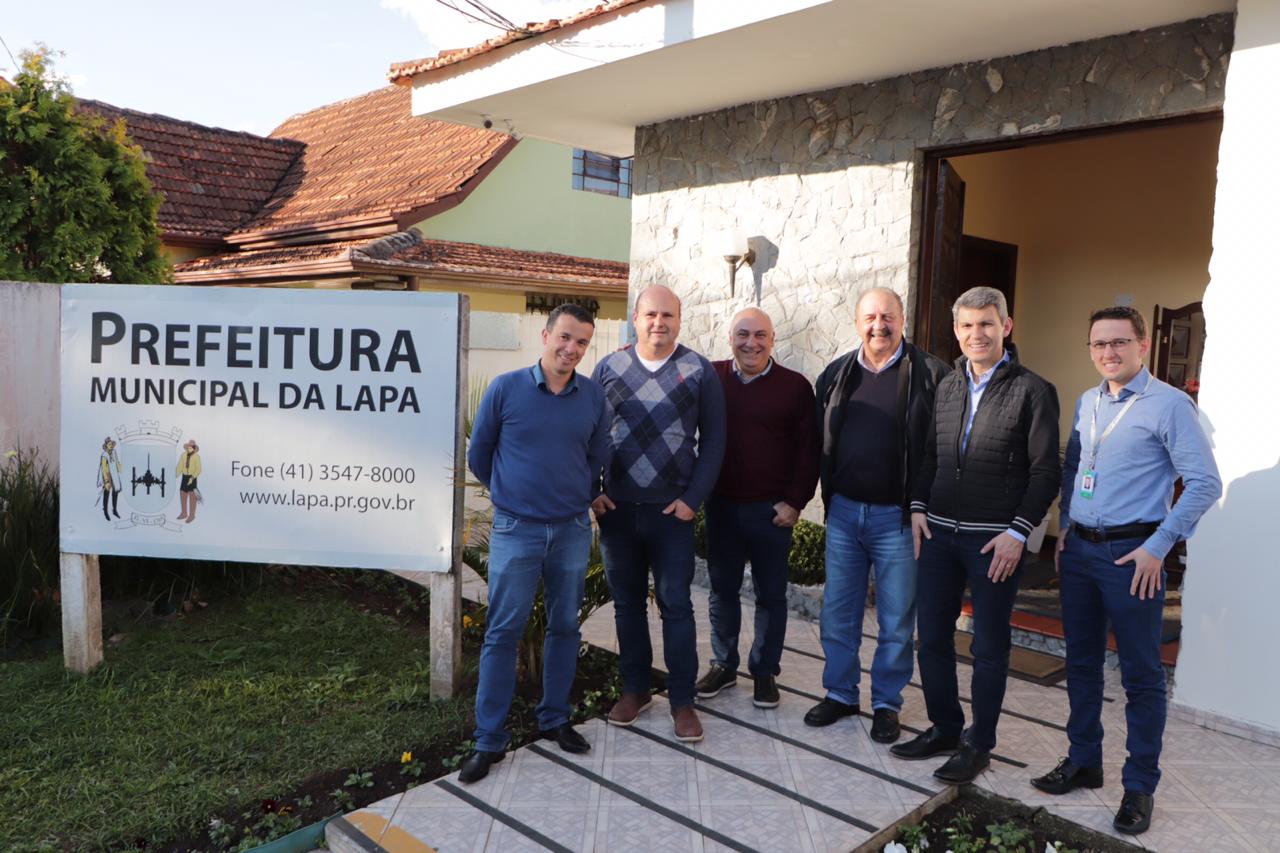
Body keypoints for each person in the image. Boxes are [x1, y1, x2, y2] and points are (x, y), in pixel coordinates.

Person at [1029, 306, 1221, 835]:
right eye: (1098, 345)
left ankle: (1139, 788)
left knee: (1140, 676)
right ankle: (1084, 758)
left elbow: (1204, 482)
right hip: (1081, 554)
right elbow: (1074, 467)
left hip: (1135, 556)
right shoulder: (1089, 401)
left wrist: (1159, 546)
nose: (1108, 353)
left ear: (1142, 345)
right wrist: (1066, 523)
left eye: (1118, 342)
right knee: (1083, 662)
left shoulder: (1170, 405)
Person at [892, 286, 1060, 784]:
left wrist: (1019, 532)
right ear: (956, 330)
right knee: (933, 640)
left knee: (989, 647)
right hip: (939, 536)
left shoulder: (1034, 390)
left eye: (985, 324)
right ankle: (945, 728)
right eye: (966, 325)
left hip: (995, 544)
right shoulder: (946, 385)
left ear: (1006, 326)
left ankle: (978, 744)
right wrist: (918, 507)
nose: (975, 334)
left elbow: (1045, 472)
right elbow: (929, 455)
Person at [458, 303, 612, 784]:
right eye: (564, 337)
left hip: (570, 530)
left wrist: (572, 497)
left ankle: (554, 720)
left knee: (565, 627)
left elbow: (596, 457)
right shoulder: (506, 389)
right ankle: (488, 740)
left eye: (582, 342)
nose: (571, 348)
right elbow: (480, 456)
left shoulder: (593, 398)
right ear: (545, 335)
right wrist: (516, 495)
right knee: (503, 632)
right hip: (516, 529)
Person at [804, 287, 948, 741]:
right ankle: (841, 694)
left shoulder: (931, 374)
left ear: (903, 320)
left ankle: (887, 703)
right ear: (856, 322)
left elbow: (940, 450)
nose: (878, 325)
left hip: (899, 520)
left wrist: (927, 506)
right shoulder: (837, 373)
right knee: (838, 612)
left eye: (887, 316)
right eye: (870, 316)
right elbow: (818, 441)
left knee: (896, 619)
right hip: (845, 513)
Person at [592, 285, 726, 743]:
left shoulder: (699, 371)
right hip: (618, 511)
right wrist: (593, 491)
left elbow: (714, 442)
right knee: (627, 607)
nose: (659, 322)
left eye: (668, 314)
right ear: (636, 317)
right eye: (651, 314)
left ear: (679, 320)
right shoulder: (608, 368)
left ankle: (682, 700)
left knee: (677, 607)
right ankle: (635, 690)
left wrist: (693, 500)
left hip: (673, 514)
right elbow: (588, 434)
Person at [694, 307, 818, 709]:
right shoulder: (710, 377)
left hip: (771, 512)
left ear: (772, 339)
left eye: (760, 335)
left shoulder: (796, 387)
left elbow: (809, 450)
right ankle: (724, 665)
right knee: (722, 592)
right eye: (743, 334)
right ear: (730, 338)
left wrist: (795, 503)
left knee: (771, 596)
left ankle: (765, 672)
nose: (751, 343)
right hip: (723, 507)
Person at [98, 437, 123, 521]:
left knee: (115, 492)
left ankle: (114, 510)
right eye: (109, 444)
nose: (111, 446)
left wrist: (122, 470)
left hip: (114, 474)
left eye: (111, 444)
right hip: (108, 476)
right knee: (107, 493)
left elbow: (117, 462)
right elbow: (104, 469)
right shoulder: (104, 455)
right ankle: (105, 511)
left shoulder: (114, 452)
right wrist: (106, 480)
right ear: (106, 446)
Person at [176, 439, 201, 523]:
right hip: (184, 477)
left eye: (192, 447)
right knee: (182, 493)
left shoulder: (197, 457)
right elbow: (180, 466)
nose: (190, 448)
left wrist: (192, 478)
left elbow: (198, 469)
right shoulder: (183, 455)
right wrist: (175, 475)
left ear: (194, 448)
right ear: (187, 447)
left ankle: (192, 515)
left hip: (192, 477)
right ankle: (184, 513)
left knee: (192, 496)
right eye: (189, 447)